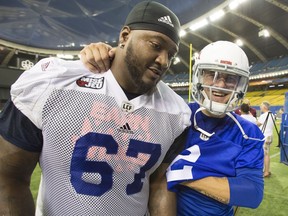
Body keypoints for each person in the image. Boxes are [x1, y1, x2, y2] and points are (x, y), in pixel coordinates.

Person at [0, 1, 192, 215]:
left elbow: (158, 184)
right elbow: (9, 177)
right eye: (156, 45)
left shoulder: (177, 113)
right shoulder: (53, 82)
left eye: (171, 54)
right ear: (125, 37)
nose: (164, 61)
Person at [80, 41, 265, 215]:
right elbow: (133, 80)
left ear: (240, 84)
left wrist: (185, 176)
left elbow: (251, 193)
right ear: (199, 77)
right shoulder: (176, 113)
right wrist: (107, 54)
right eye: (212, 74)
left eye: (230, 78)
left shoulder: (248, 133)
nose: (221, 85)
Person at [257, 101, 275, 178]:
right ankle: (267, 170)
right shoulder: (272, 115)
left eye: (261, 106)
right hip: (270, 135)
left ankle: (266, 171)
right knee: (266, 154)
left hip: (265, 136)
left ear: (264, 107)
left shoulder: (264, 115)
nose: (260, 108)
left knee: (265, 155)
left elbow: (257, 124)